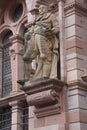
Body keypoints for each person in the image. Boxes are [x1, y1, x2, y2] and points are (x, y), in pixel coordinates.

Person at [23, 4, 60, 81]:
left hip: (45, 38)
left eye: (43, 8)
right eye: (39, 8)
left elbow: (57, 28)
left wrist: (50, 31)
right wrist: (27, 34)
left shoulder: (50, 16)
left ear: (46, 9)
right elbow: (31, 30)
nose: (41, 10)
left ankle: (46, 76)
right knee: (26, 58)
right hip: (34, 39)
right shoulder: (36, 20)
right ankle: (27, 78)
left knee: (44, 56)